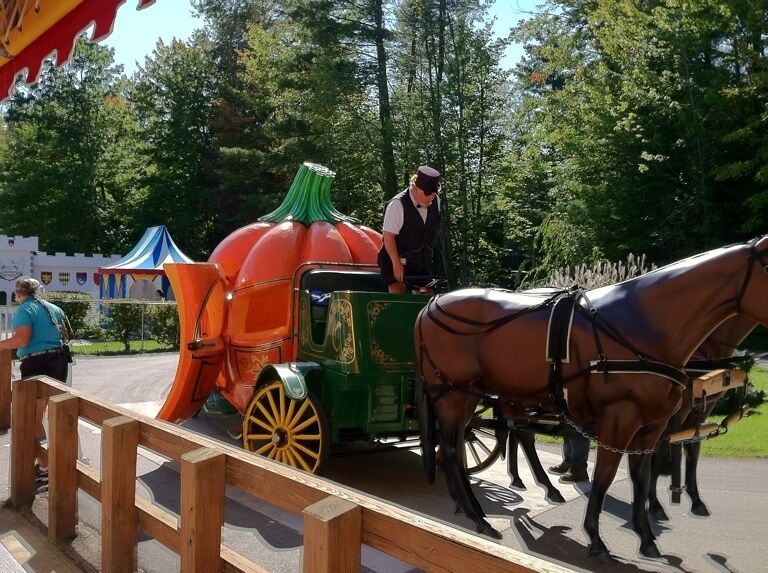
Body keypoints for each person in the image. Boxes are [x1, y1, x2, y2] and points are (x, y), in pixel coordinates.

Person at [0, 277, 72, 486]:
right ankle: (47, 464)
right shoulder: (53, 307)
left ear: (20, 293)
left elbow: (22, 340)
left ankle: (48, 467)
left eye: (15, 293)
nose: (15, 296)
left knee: (31, 418)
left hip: (38, 363)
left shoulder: (25, 309)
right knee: (41, 416)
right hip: (58, 361)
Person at [377, 165, 441, 293]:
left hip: (421, 263)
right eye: (428, 193)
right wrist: (396, 263)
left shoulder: (436, 202)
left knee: (427, 305)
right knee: (400, 301)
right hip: (396, 260)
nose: (431, 197)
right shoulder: (397, 204)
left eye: (434, 193)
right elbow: (388, 236)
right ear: (415, 188)